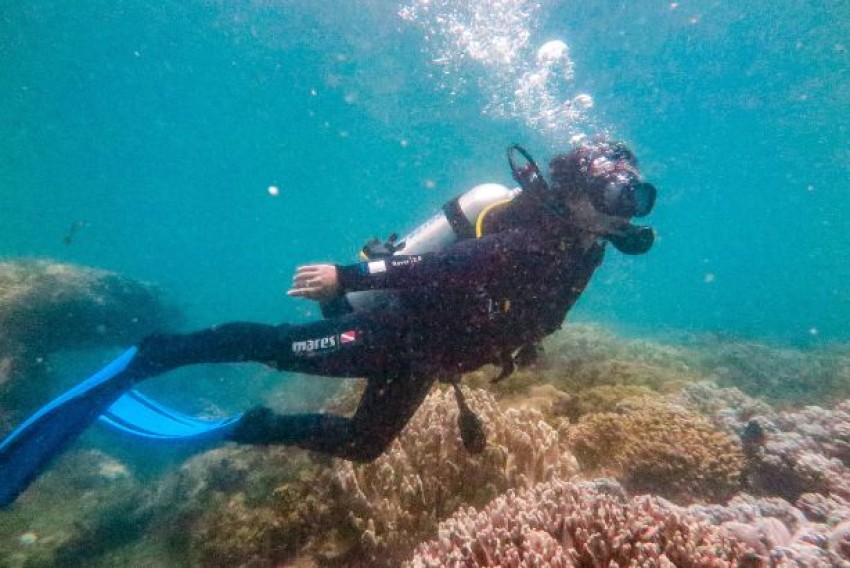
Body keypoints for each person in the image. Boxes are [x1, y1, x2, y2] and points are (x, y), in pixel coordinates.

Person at [0, 140, 656, 506]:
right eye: (616, 197)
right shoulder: (533, 240)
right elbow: (442, 268)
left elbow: (536, 308)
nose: (628, 210)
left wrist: (521, 341)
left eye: (634, 197)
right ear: (574, 195)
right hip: (391, 332)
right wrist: (349, 276)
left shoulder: (586, 249)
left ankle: (245, 426)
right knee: (275, 348)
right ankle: (159, 352)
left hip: (429, 358)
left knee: (364, 445)